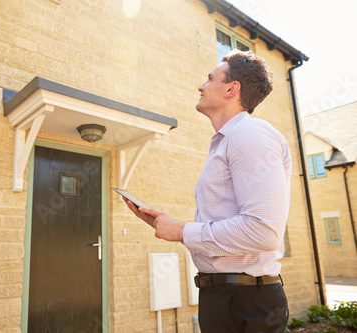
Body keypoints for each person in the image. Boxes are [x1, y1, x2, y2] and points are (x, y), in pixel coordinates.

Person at [123, 50, 291, 333]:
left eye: (209, 79)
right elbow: (226, 232)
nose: (201, 86)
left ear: (231, 88)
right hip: (223, 297)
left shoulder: (250, 135)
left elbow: (264, 231)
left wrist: (182, 231)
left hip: (246, 303)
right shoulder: (227, 141)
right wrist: (170, 226)